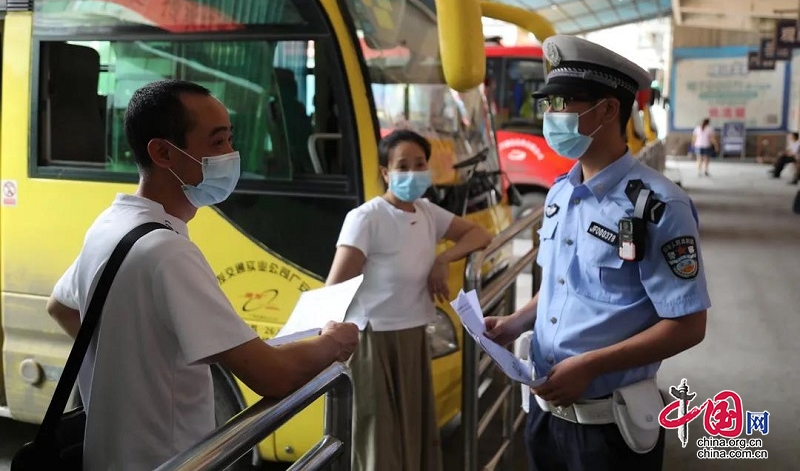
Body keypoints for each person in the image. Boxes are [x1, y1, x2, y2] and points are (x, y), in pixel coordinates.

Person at [46, 80, 359, 470]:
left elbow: (60, 307)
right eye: (217, 143)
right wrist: (332, 341)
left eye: (230, 140)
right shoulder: (168, 252)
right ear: (163, 152)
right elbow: (273, 376)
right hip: (170, 461)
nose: (231, 155)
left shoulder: (112, 224)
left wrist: (129, 367)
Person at [484, 35, 711, 471]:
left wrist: (591, 366)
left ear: (607, 109)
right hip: (543, 416)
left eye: (562, 103)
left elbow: (688, 324)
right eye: (547, 105)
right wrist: (515, 322)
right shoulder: (560, 193)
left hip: (610, 428)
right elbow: (563, 285)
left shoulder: (659, 205)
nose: (550, 116)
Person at [325, 129, 492, 471]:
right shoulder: (366, 218)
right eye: (403, 165)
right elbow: (334, 288)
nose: (413, 173)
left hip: (413, 336)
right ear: (386, 172)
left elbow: (480, 235)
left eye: (420, 164)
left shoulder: (428, 213)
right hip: (373, 341)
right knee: (379, 443)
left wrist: (443, 259)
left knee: (413, 437)